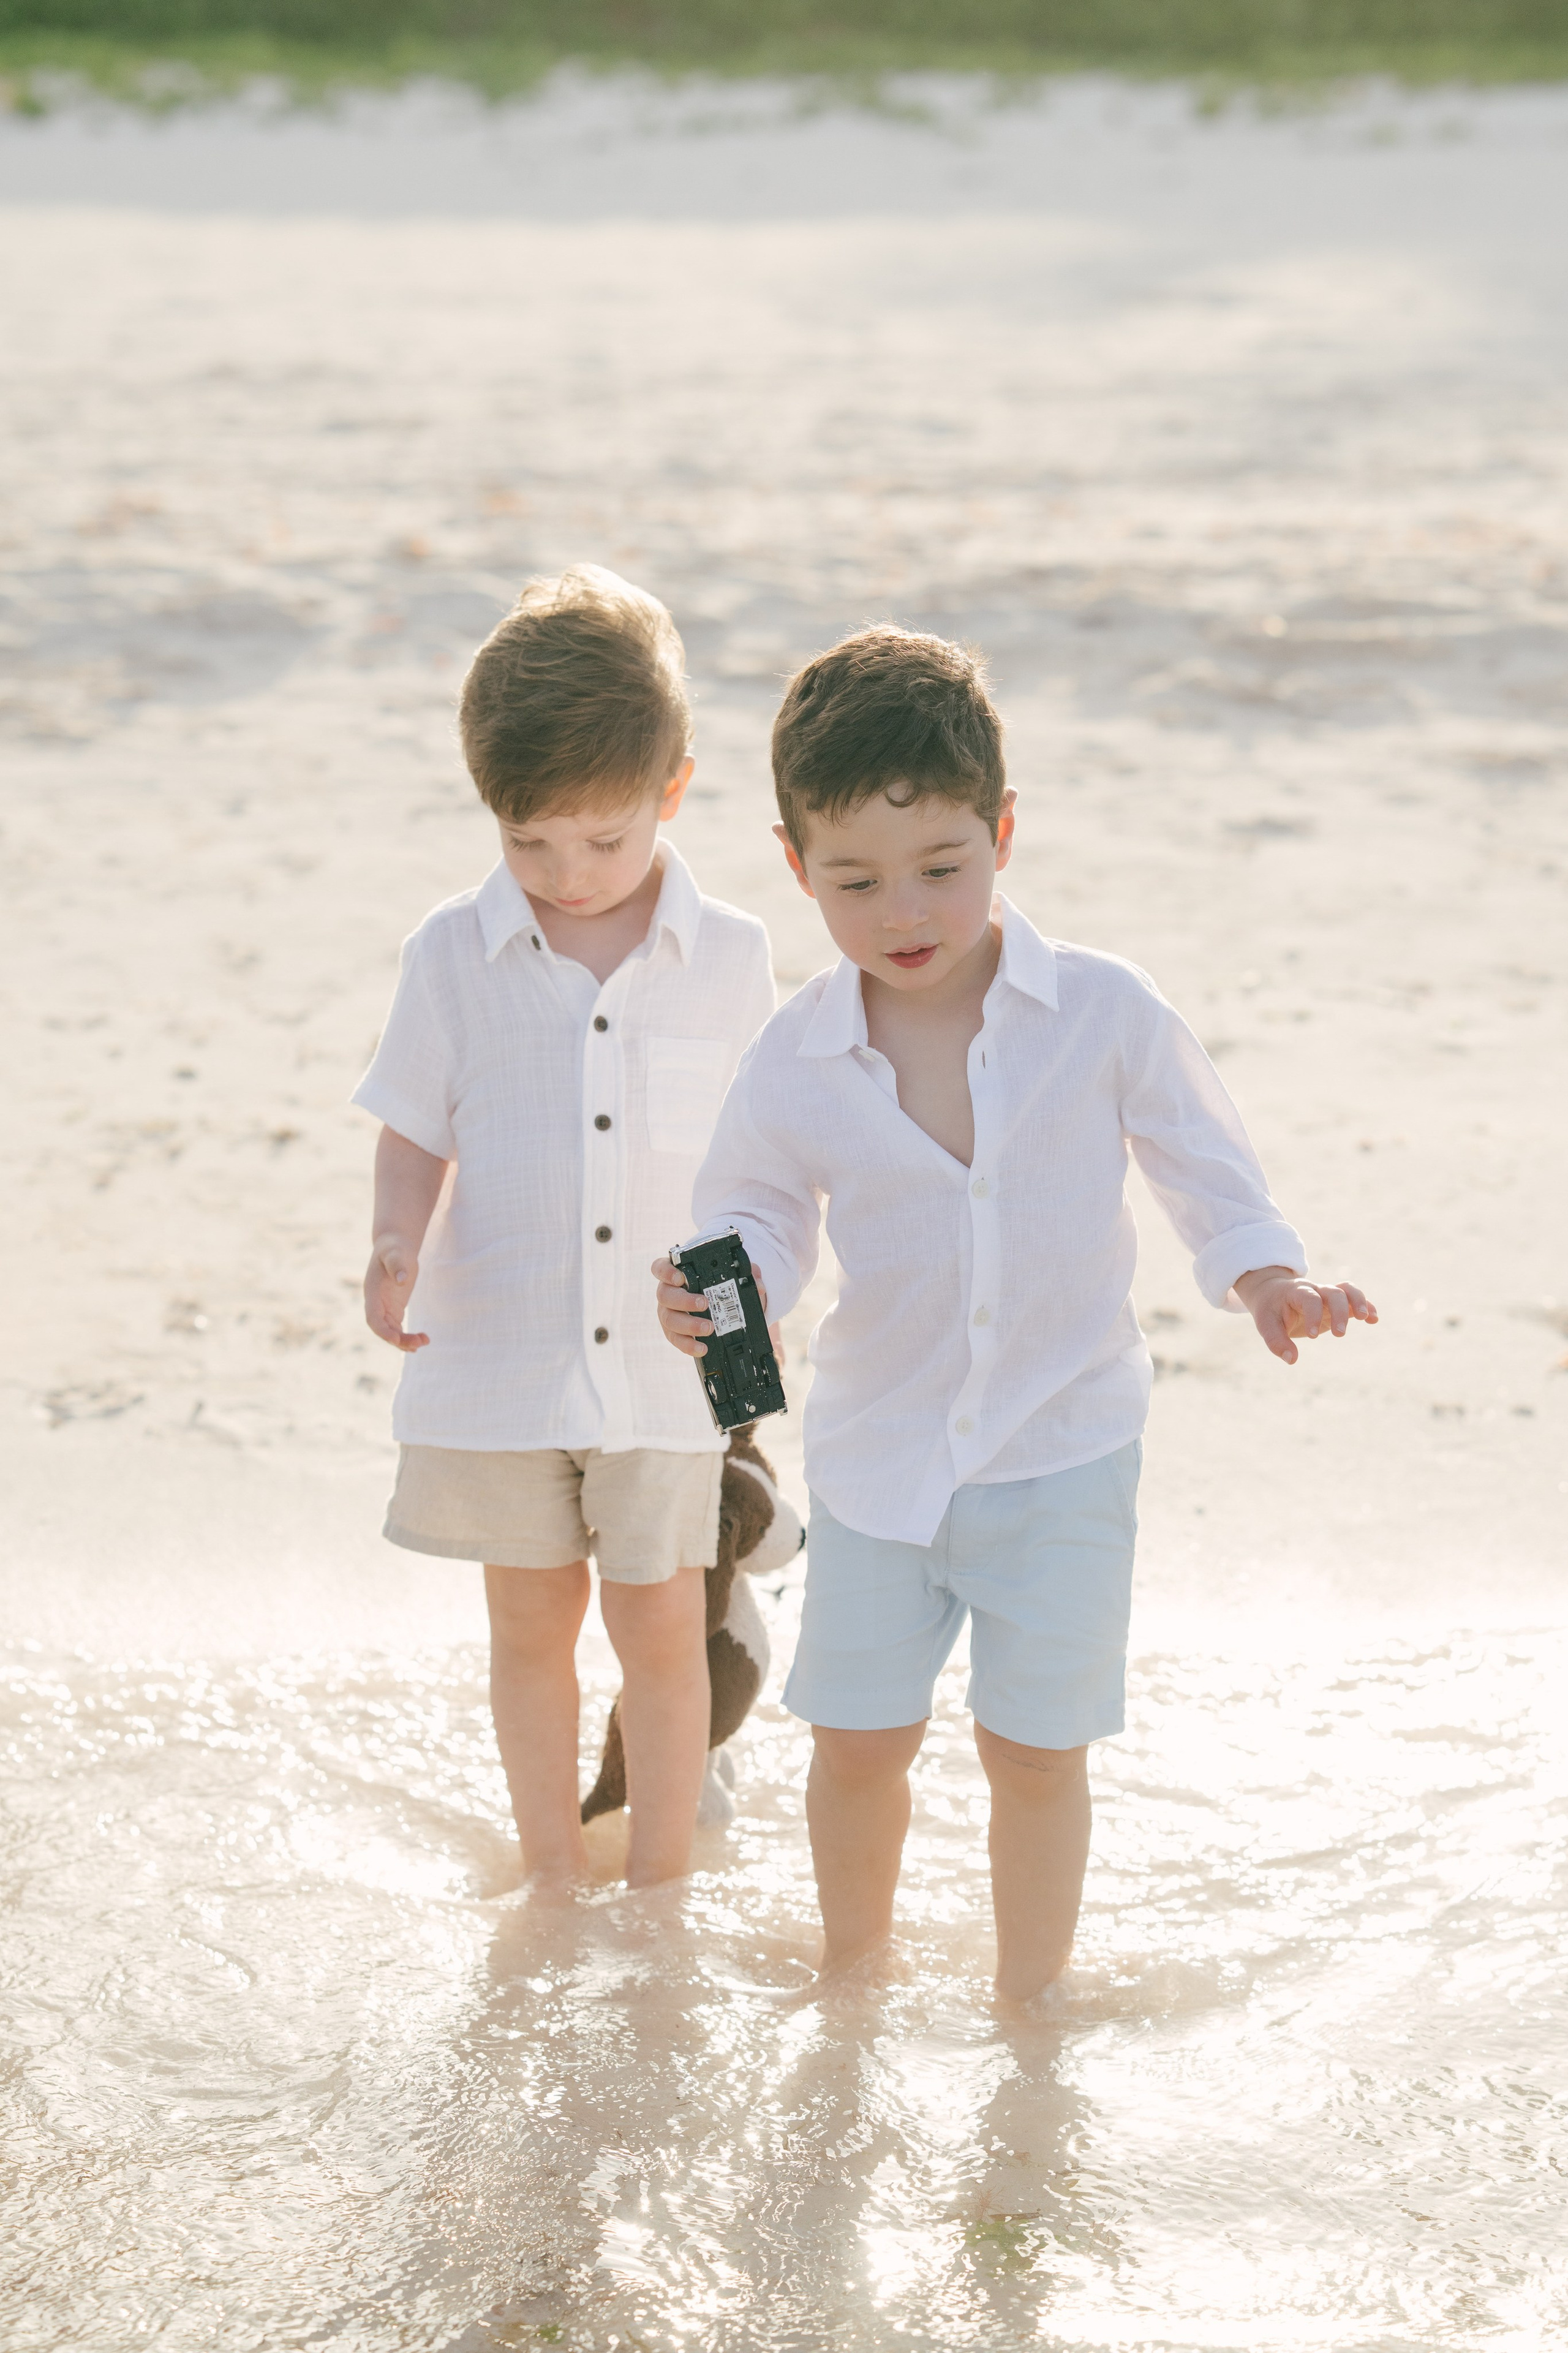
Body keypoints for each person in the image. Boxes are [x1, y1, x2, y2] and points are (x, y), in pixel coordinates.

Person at [655, 625, 1375, 1999]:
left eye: (942, 867)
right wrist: (720, 1290)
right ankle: (851, 1983)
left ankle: (1028, 2007)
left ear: (1001, 831)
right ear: (796, 864)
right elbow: (755, 1210)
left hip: (1063, 1449)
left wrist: (1266, 1277)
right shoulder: (797, 1054)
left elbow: (1201, 1161)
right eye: (855, 881)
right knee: (857, 1740)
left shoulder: (1100, 1011)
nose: (903, 912)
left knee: (1036, 1751)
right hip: (880, 1457)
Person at [355, 567, 774, 1890]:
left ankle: (659, 1880)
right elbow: (414, 1124)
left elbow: (766, 1156)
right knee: (530, 1627)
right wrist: (394, 1239)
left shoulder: (732, 955)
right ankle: (550, 1870)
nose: (566, 875)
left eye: (602, 839)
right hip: (507, 1353)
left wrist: (753, 1357)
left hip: (669, 1364)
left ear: (672, 789)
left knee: (663, 1628)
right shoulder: (449, 953)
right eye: (528, 842)